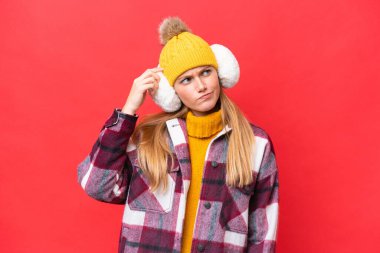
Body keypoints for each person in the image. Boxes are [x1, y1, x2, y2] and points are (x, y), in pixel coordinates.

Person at [77, 16, 280, 253]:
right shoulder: (149, 140)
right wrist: (128, 110)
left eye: (206, 72)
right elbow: (96, 185)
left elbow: (262, 237)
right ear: (171, 92)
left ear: (221, 73)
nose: (201, 86)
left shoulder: (256, 145)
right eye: (186, 80)